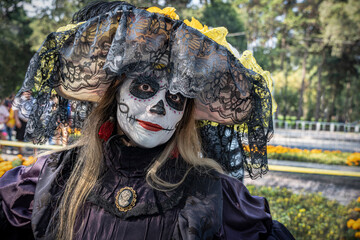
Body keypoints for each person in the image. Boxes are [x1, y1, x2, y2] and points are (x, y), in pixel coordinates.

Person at [0, 2, 294, 239]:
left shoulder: (212, 193)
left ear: (185, 115)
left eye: (176, 97)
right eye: (144, 87)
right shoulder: (56, 175)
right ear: (116, 93)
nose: (158, 108)